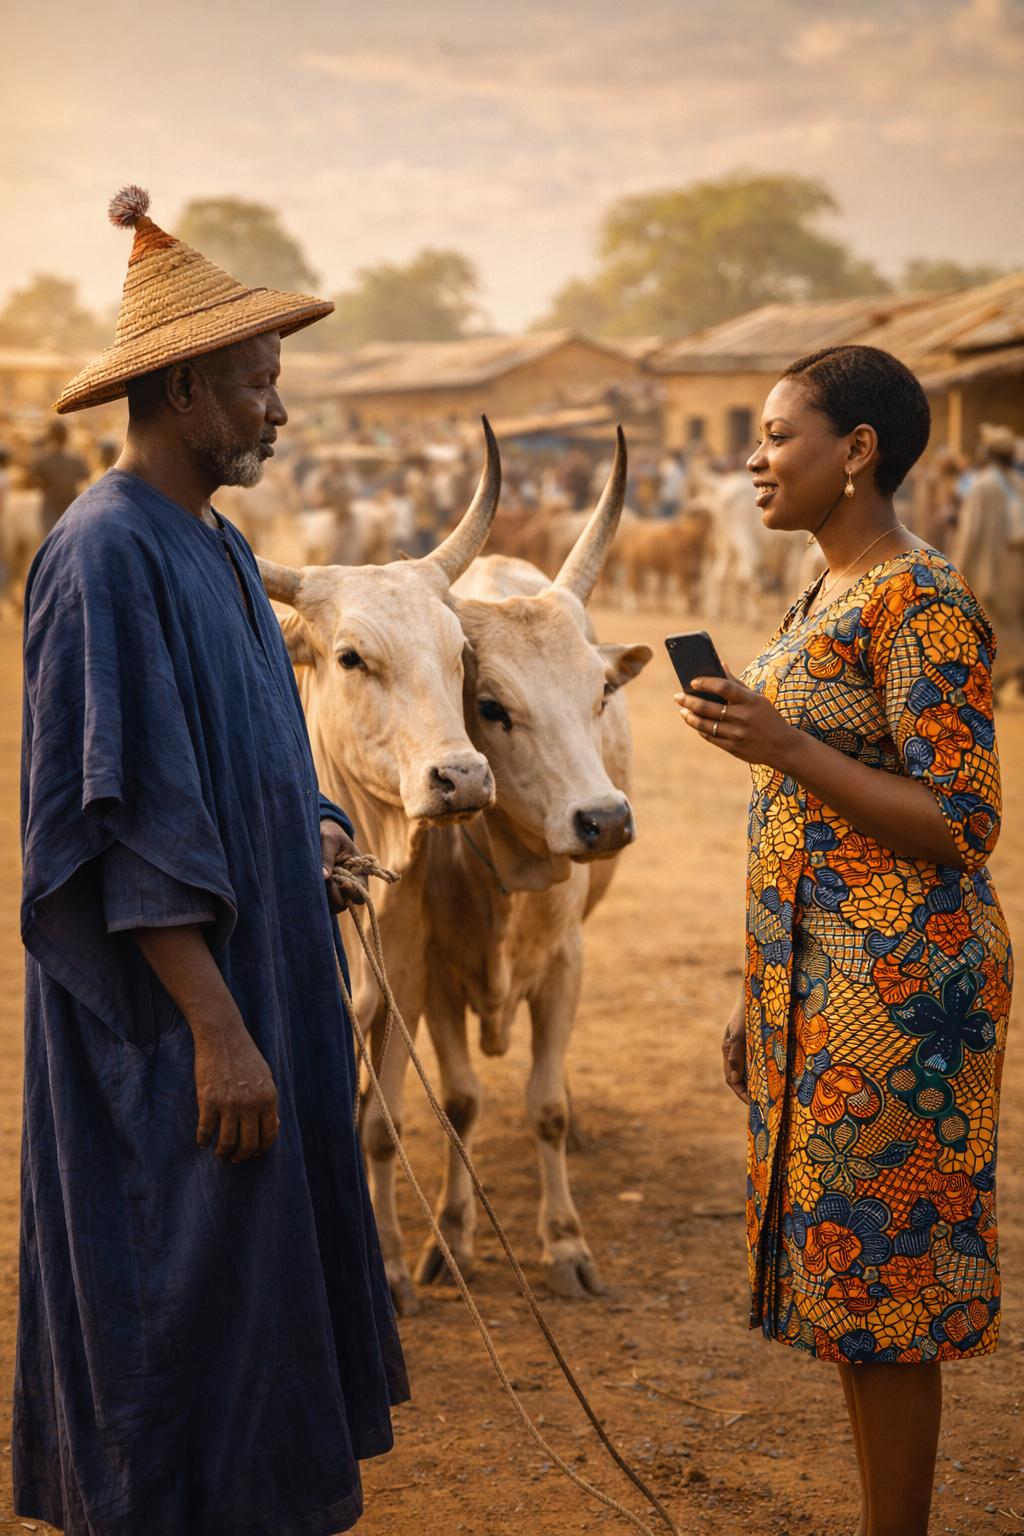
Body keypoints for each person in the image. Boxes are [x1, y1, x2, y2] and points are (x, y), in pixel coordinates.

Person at [17, 185, 408, 1536]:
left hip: (262, 990)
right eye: (255, 385)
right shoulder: (101, 556)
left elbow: (258, 755)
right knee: (170, 1296)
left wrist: (317, 835)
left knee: (255, 1295)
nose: (277, 412)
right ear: (181, 389)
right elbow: (113, 820)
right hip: (176, 1026)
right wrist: (218, 1032)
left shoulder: (222, 552)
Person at [675, 345, 1009, 1536]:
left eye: (777, 436)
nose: (752, 460)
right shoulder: (825, 591)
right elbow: (805, 814)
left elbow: (962, 821)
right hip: (817, 977)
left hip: (900, 986)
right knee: (851, 1283)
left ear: (856, 450)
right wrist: (754, 988)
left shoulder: (918, 600)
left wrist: (785, 744)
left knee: (887, 1281)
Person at [953, 422, 1024, 695]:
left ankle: (992, 683)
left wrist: (957, 571)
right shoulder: (1018, 483)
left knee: (987, 633)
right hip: (1015, 573)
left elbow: (971, 533)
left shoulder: (982, 486)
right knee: (1010, 628)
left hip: (988, 573)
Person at [27, 420, 90, 534]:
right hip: (70, 510)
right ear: (66, 437)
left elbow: (31, 481)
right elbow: (86, 482)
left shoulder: (43, 461)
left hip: (50, 510)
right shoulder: (75, 460)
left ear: (51, 437)